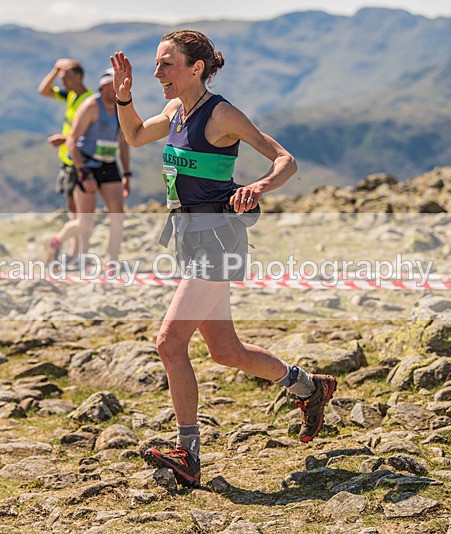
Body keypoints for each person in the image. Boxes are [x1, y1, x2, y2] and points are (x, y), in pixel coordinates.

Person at [109, 30, 337, 488]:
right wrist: (124, 97)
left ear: (197, 68)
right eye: (156, 64)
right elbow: (133, 136)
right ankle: (310, 387)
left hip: (219, 240)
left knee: (169, 343)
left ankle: (188, 453)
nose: (158, 73)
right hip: (189, 239)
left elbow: (284, 159)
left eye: (166, 64)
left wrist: (259, 186)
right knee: (226, 352)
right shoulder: (175, 111)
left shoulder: (222, 114)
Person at [44, 70, 131, 273]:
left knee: (118, 216)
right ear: (103, 87)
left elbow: (124, 142)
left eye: (117, 85)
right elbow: (72, 141)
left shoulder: (122, 108)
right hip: (87, 165)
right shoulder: (92, 106)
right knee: (85, 223)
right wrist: (83, 171)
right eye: (111, 85)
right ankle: (56, 241)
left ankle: (113, 263)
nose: (114, 89)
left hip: (109, 165)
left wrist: (127, 174)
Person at [38, 58, 95, 265]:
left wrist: (65, 139)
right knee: (74, 211)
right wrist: (56, 69)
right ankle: (76, 253)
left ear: (78, 76)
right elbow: (43, 90)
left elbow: (90, 132)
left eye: (66, 77)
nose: (62, 82)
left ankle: (78, 253)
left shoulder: (89, 100)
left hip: (79, 160)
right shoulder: (70, 96)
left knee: (82, 215)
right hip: (67, 159)